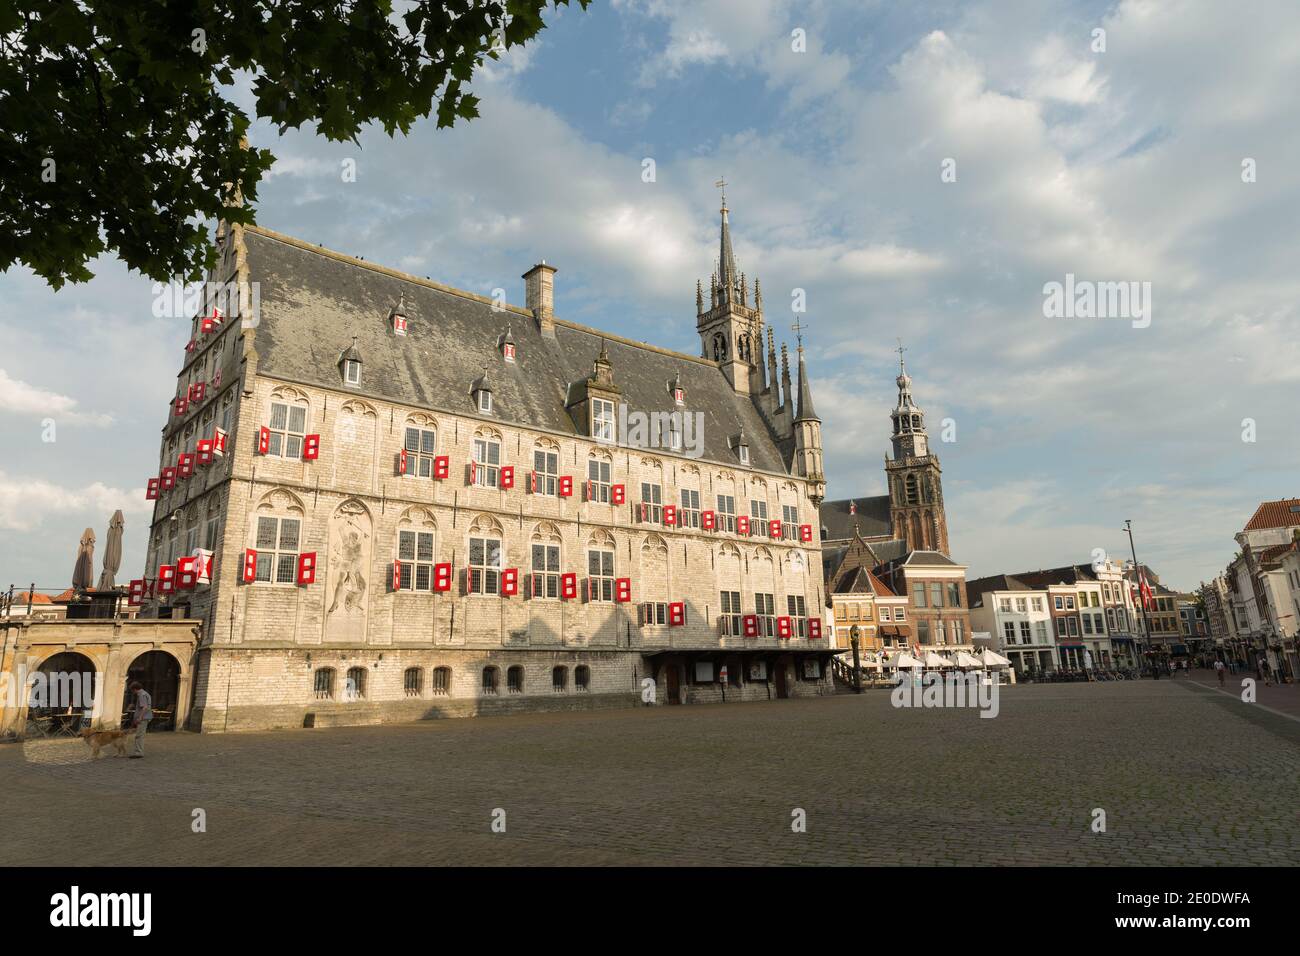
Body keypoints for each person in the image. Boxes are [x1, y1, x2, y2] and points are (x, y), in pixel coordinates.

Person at [128, 680, 152, 759]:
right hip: (144, 717)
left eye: (132, 690)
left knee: (139, 735)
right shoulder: (144, 693)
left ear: (135, 689)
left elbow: (144, 707)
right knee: (140, 735)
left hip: (143, 718)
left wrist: (140, 717)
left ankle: (138, 753)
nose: (133, 692)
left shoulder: (141, 694)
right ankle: (138, 751)